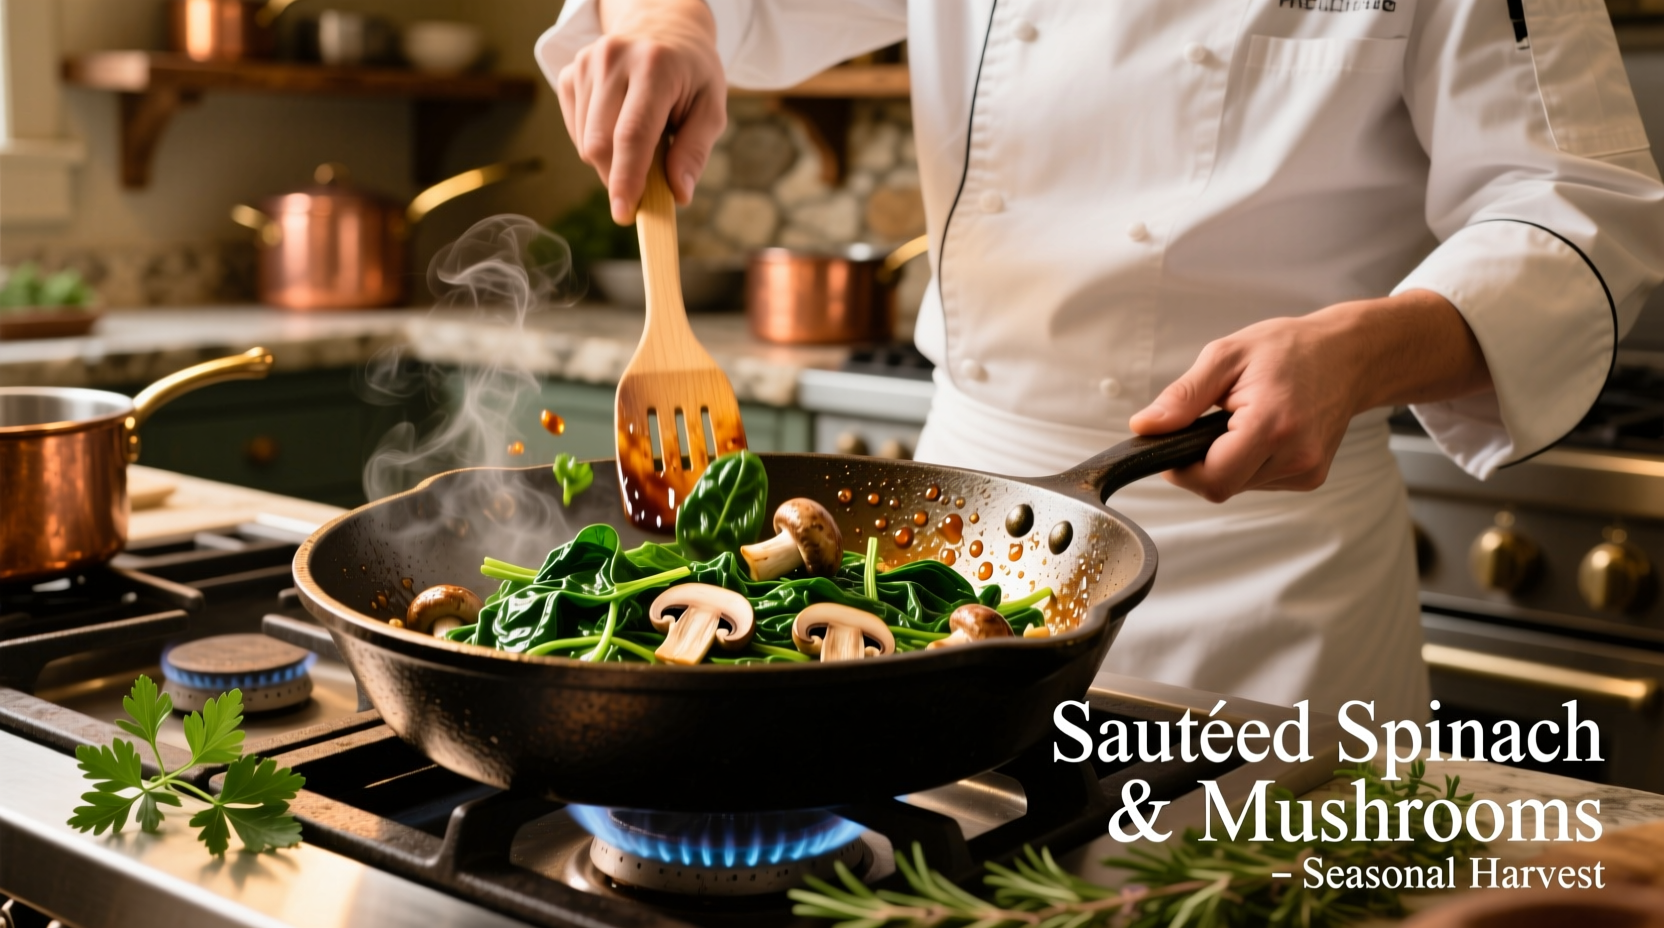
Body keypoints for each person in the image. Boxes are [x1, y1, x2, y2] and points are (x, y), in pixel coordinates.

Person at [536, 1, 1664, 722]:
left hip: (1268, 570)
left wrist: (1363, 351)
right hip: (955, 532)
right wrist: (673, 23)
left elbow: (1584, 207)